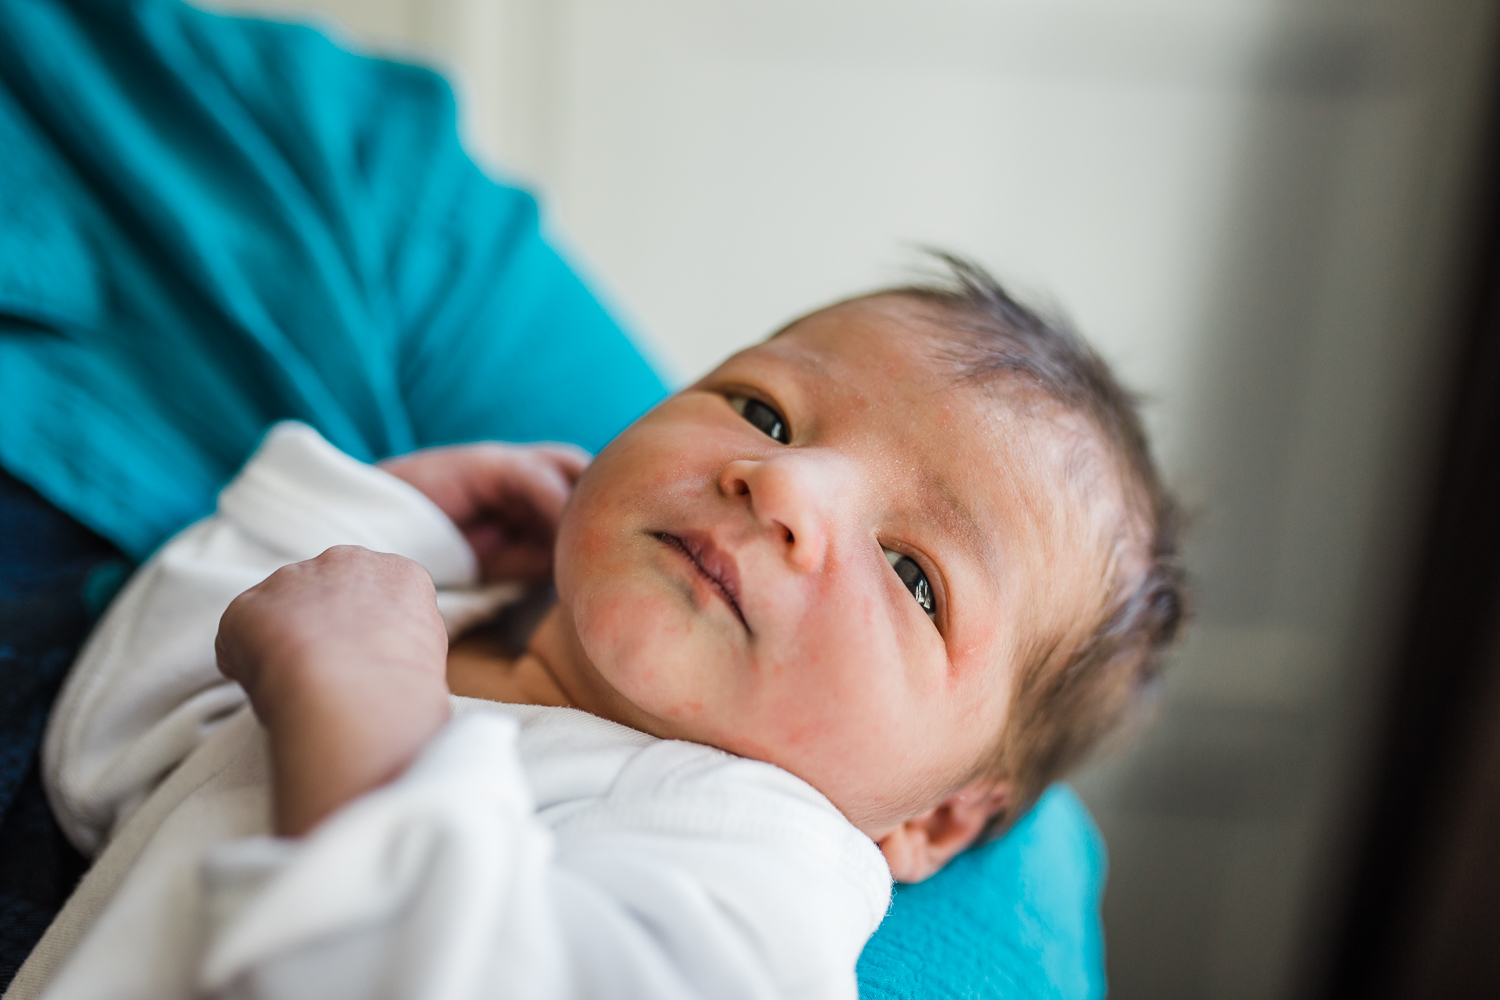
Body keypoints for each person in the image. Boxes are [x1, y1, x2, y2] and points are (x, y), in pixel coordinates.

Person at [7, 260, 1182, 1000]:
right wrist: (382, 519)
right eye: (765, 409)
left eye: (917, 576)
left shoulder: (760, 865)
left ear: (933, 819)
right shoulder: (445, 621)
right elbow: (112, 753)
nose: (787, 487)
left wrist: (359, 700)